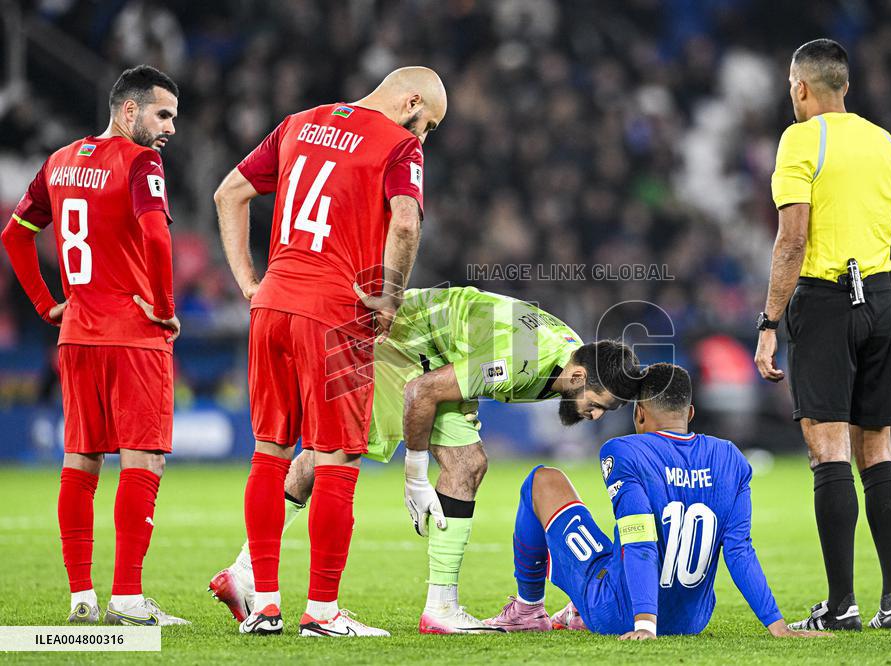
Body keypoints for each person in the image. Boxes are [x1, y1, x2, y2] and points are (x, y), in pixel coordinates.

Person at [209, 285, 642, 634]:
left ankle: (245, 572)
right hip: (395, 343)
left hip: (437, 348)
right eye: (597, 404)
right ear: (579, 375)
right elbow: (423, 391)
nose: (595, 415)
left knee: (460, 463)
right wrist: (415, 475)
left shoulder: (571, 353)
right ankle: (430, 609)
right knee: (340, 454)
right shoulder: (522, 359)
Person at [213, 66, 446, 638]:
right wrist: (390, 295)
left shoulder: (299, 123)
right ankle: (321, 612)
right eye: (428, 124)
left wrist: (248, 281)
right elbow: (406, 224)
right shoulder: (399, 146)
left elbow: (229, 193)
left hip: (272, 305)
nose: (424, 137)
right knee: (337, 459)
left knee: (269, 453)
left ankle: (264, 606)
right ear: (411, 101)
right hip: (336, 313)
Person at [1, 65, 186, 626]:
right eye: (162, 114)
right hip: (134, 335)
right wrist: (165, 306)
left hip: (77, 334)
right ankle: (126, 599)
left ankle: (81, 597)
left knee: (80, 461)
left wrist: (45, 305)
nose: (170, 128)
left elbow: (14, 235)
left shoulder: (59, 162)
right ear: (129, 110)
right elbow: (156, 235)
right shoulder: (141, 162)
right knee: (143, 459)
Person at [753, 39, 891, 631]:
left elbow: (792, 240)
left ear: (800, 87)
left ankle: (841, 605)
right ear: (845, 86)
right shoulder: (887, 144)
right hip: (882, 301)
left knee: (829, 450)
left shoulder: (801, 140)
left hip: (826, 302)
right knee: (877, 449)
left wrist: (768, 323)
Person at [482, 363, 829, 640]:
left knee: (542, 480)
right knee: (613, 548)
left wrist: (645, 624)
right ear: (689, 413)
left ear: (639, 414)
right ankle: (577, 611)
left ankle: (528, 611)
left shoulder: (624, 451)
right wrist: (777, 625)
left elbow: (640, 541)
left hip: (621, 612)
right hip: (691, 621)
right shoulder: (731, 457)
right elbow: (740, 550)